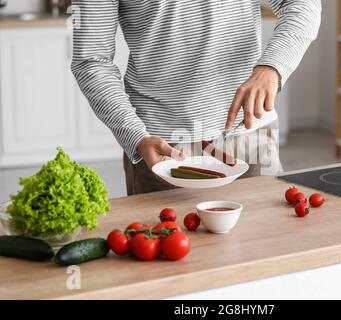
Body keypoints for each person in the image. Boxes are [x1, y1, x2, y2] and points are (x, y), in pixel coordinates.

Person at [71, 0, 322, 195]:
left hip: (252, 135)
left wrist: (273, 67)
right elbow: (92, 61)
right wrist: (136, 137)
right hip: (163, 149)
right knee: (171, 258)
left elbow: (303, 3)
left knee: (270, 248)